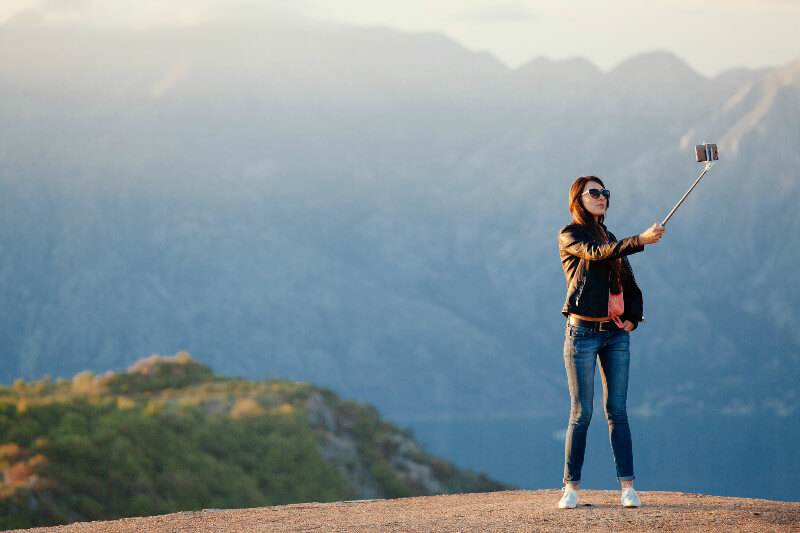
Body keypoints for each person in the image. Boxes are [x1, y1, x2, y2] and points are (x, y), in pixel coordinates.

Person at [556, 175, 665, 509]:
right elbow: (597, 254)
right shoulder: (571, 234)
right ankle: (571, 488)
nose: (602, 197)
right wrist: (641, 240)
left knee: (617, 411)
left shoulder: (611, 236)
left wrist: (634, 316)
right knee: (582, 412)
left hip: (616, 334)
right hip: (583, 334)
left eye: (605, 192)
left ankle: (628, 488)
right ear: (579, 199)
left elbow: (627, 280)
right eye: (594, 193)